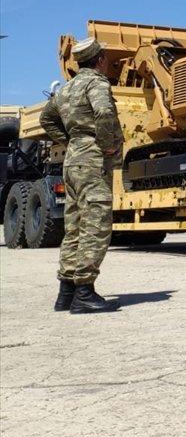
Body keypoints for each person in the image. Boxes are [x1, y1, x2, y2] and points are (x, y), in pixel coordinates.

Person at [40, 37, 124, 314]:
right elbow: (104, 112)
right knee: (96, 224)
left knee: (74, 226)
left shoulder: (66, 88)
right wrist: (107, 145)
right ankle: (84, 292)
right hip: (92, 162)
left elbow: (46, 119)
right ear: (100, 60)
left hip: (73, 161)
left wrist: (69, 140)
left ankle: (66, 292)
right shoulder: (96, 83)